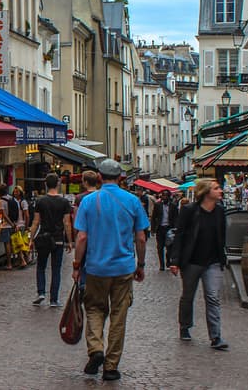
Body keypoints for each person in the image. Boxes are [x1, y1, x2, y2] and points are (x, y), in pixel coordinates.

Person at [72, 158, 148, 382]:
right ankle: (111, 366)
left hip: (96, 267)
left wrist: (77, 266)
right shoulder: (133, 201)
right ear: (121, 178)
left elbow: (82, 237)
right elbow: (141, 238)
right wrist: (140, 265)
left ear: (99, 177)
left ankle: (96, 349)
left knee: (94, 308)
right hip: (123, 267)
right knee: (118, 315)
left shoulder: (88, 201)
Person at [169, 178, 229, 351]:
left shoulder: (220, 211)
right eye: (216, 188)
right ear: (206, 192)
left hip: (213, 262)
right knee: (188, 295)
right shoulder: (189, 211)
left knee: (213, 297)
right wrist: (175, 260)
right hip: (192, 261)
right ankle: (185, 326)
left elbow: (221, 236)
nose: (220, 191)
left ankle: (216, 336)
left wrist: (221, 257)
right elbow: (180, 235)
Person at [29, 173, 73, 306]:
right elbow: (67, 223)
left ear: (46, 184)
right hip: (58, 239)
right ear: (58, 184)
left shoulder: (40, 201)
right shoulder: (64, 202)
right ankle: (54, 299)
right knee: (56, 269)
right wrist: (69, 241)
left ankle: (41, 292)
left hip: (43, 237)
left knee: (41, 266)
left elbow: (36, 222)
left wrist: (31, 238)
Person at [151, 190, 179, 270]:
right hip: (160, 228)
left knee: (169, 248)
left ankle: (168, 261)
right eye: (163, 195)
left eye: (166, 196)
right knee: (160, 247)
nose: (165, 197)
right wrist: (153, 229)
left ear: (169, 197)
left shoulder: (173, 206)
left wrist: (176, 228)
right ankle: (161, 265)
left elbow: (176, 218)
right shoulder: (157, 205)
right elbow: (154, 217)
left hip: (169, 229)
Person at [0, 184, 21, 269]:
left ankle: (9, 264)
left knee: (7, 244)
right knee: (13, 243)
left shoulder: (0, 201)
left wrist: (10, 224)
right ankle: (17, 261)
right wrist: (15, 224)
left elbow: (3, 214)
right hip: (14, 224)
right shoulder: (13, 199)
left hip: (5, 226)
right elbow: (18, 211)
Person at [12, 185, 30, 267]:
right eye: (14, 191)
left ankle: (23, 260)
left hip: (21, 224)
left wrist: (26, 226)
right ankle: (26, 258)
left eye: (17, 191)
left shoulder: (23, 202)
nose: (15, 193)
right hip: (17, 224)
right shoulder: (14, 201)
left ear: (20, 193)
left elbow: (27, 215)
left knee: (20, 243)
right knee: (20, 243)